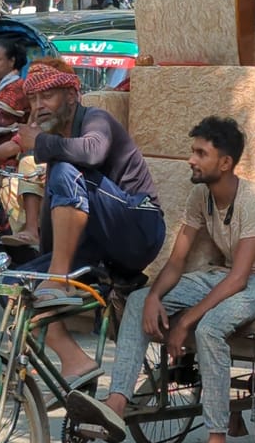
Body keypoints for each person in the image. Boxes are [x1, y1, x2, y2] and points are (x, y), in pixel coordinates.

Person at [67, 116, 255, 443]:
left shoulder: (254, 201)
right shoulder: (200, 197)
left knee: (209, 329)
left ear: (225, 162)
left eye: (200, 153)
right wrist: (153, 297)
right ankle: (117, 403)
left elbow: (241, 279)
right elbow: (176, 262)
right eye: (193, 151)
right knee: (137, 299)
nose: (191, 159)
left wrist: (185, 321)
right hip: (226, 274)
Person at [16, 57, 166, 386]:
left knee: (66, 169)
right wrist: (45, 264)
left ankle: (58, 278)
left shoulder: (96, 119)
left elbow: (93, 152)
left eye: (47, 97)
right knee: (16, 285)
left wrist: (39, 143)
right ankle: (75, 360)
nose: (38, 107)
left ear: (72, 96)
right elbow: (57, 211)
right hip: (99, 245)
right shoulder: (59, 145)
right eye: (33, 100)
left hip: (139, 227)